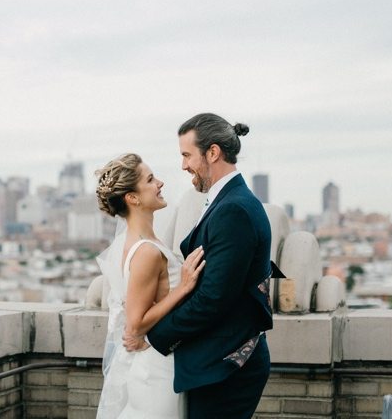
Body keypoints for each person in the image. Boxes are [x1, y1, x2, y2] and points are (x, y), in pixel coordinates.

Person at [125, 113, 278, 419]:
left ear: (212, 152)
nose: (183, 166)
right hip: (215, 361)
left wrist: (154, 336)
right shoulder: (226, 202)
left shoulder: (233, 209)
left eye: (186, 155)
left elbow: (213, 299)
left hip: (227, 367)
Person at [95, 153, 206, 418]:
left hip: (155, 360)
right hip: (156, 369)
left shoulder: (135, 242)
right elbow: (135, 323)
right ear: (132, 198)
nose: (160, 183)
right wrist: (183, 287)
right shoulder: (145, 251)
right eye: (150, 179)